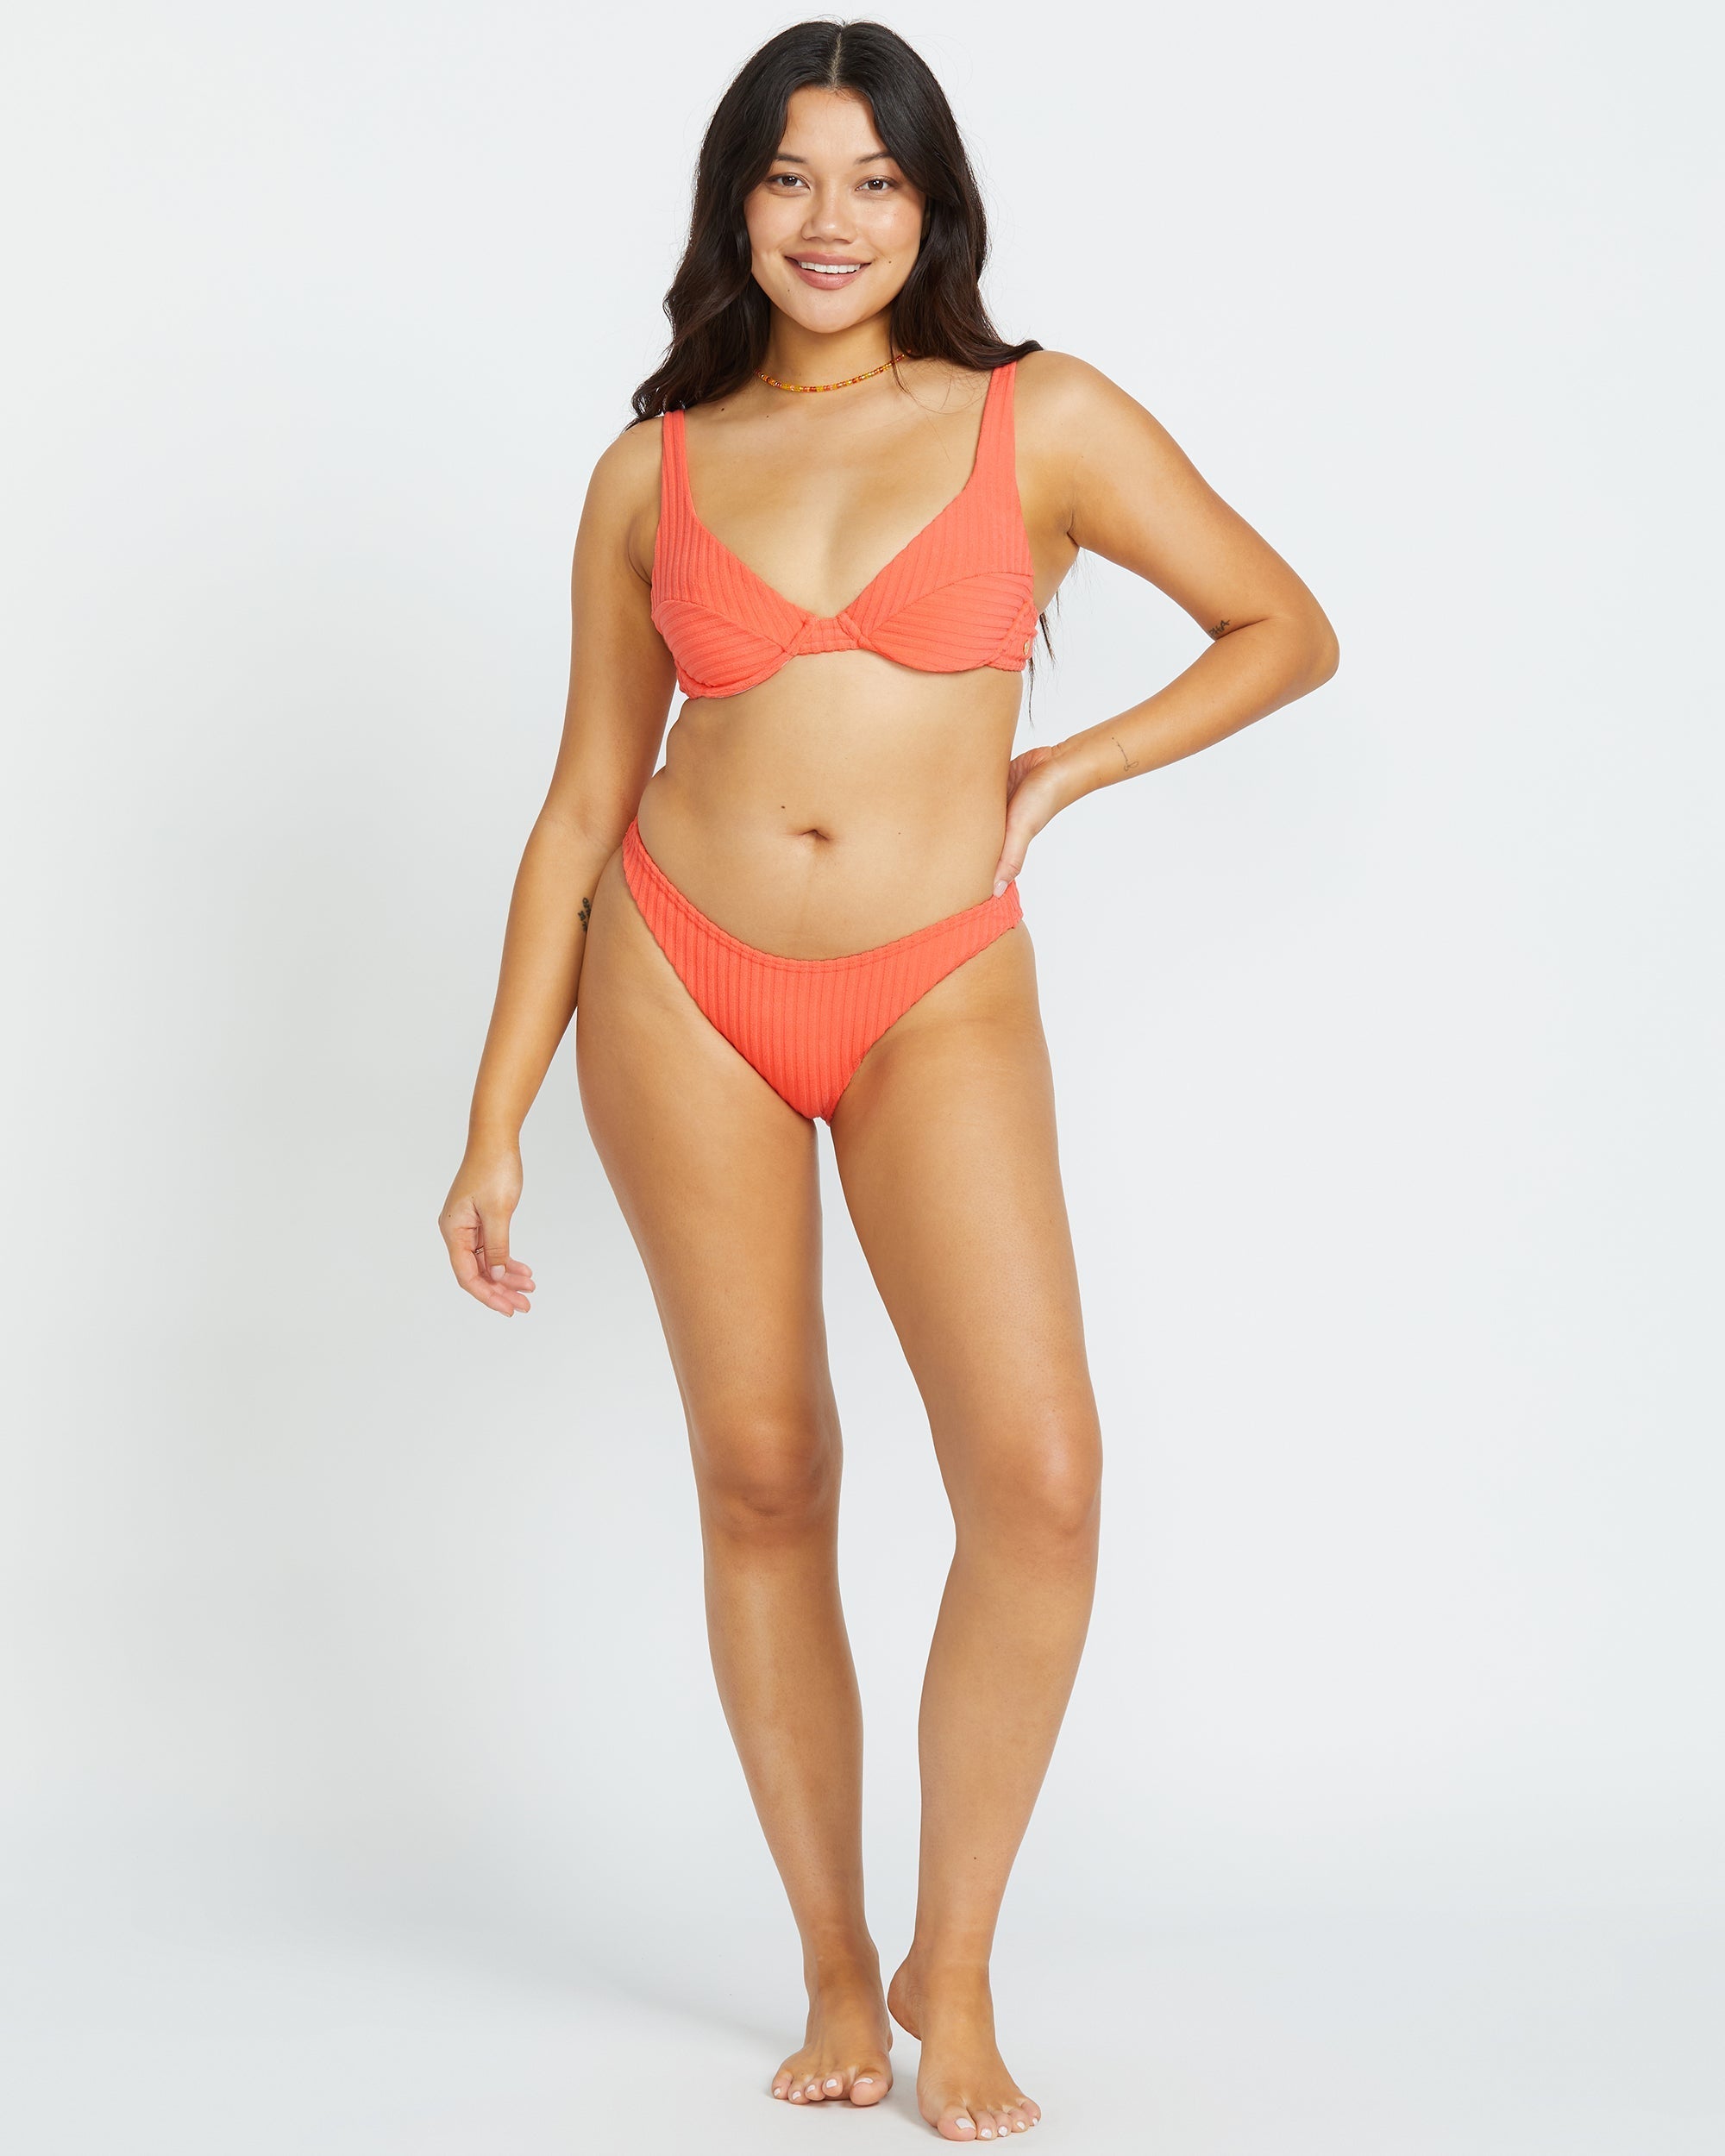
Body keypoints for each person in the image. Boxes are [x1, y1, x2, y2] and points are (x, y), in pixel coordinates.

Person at [438, 18, 1338, 2142]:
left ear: (932, 208)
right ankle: (840, 1962)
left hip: (937, 980)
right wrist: (491, 1117)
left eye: (872, 178)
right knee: (765, 1470)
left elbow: (1281, 628)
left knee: (1038, 1473)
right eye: (785, 176)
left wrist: (1062, 768)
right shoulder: (653, 469)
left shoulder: (1043, 417)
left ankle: (960, 1963)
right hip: (679, 972)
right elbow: (578, 805)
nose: (827, 220)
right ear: (733, 207)